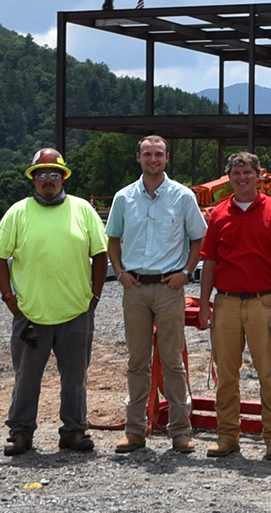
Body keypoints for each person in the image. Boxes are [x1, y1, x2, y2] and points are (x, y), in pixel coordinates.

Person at [0, 147, 108, 456]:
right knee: (26, 378)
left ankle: (74, 430)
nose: (48, 181)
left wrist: (94, 297)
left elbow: (100, 255)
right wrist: (10, 300)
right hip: (31, 314)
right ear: (33, 180)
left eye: (54, 175)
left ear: (63, 178)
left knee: (75, 378)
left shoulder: (83, 210)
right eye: (41, 175)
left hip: (75, 311)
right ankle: (20, 432)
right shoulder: (17, 212)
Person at [103, 135, 205, 454]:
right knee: (137, 361)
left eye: (158, 154)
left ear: (167, 157)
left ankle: (180, 431)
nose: (153, 159)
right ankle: (135, 430)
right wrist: (119, 272)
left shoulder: (183, 197)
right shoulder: (124, 198)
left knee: (173, 361)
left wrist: (186, 273)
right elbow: (113, 238)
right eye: (147, 154)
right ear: (138, 158)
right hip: (134, 288)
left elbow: (199, 238)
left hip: (168, 289)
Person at [197, 151, 271, 460]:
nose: (242, 177)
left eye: (248, 172)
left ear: (258, 176)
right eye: (237, 172)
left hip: (264, 302)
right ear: (229, 178)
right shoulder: (217, 214)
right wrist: (204, 304)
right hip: (225, 302)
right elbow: (210, 261)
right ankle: (227, 435)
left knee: (269, 374)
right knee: (226, 375)